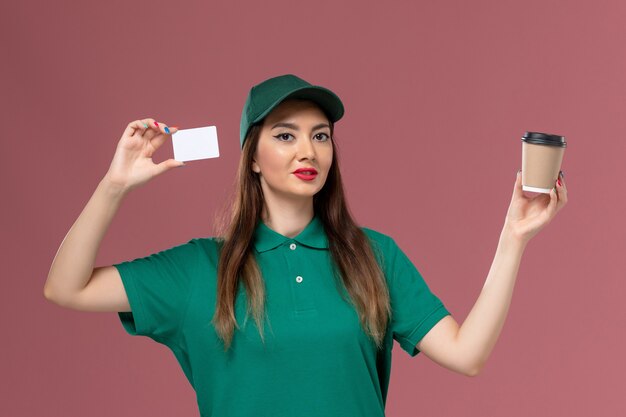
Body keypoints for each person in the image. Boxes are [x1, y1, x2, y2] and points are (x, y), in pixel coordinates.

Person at [44, 74, 568, 417]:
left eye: (321, 135)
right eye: (285, 134)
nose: (308, 149)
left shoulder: (373, 256)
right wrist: (113, 186)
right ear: (252, 156)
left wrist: (513, 238)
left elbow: (467, 354)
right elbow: (65, 288)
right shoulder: (200, 268)